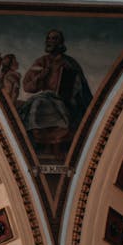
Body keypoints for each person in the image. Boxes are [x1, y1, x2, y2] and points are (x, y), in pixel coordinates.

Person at [18, 29, 92, 159]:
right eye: (48, 38)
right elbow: (27, 86)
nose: (50, 41)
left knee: (59, 110)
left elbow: (80, 85)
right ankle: (44, 146)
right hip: (46, 96)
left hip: (65, 99)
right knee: (38, 105)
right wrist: (40, 77)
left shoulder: (69, 63)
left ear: (61, 42)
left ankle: (56, 147)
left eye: (54, 38)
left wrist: (73, 82)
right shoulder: (41, 62)